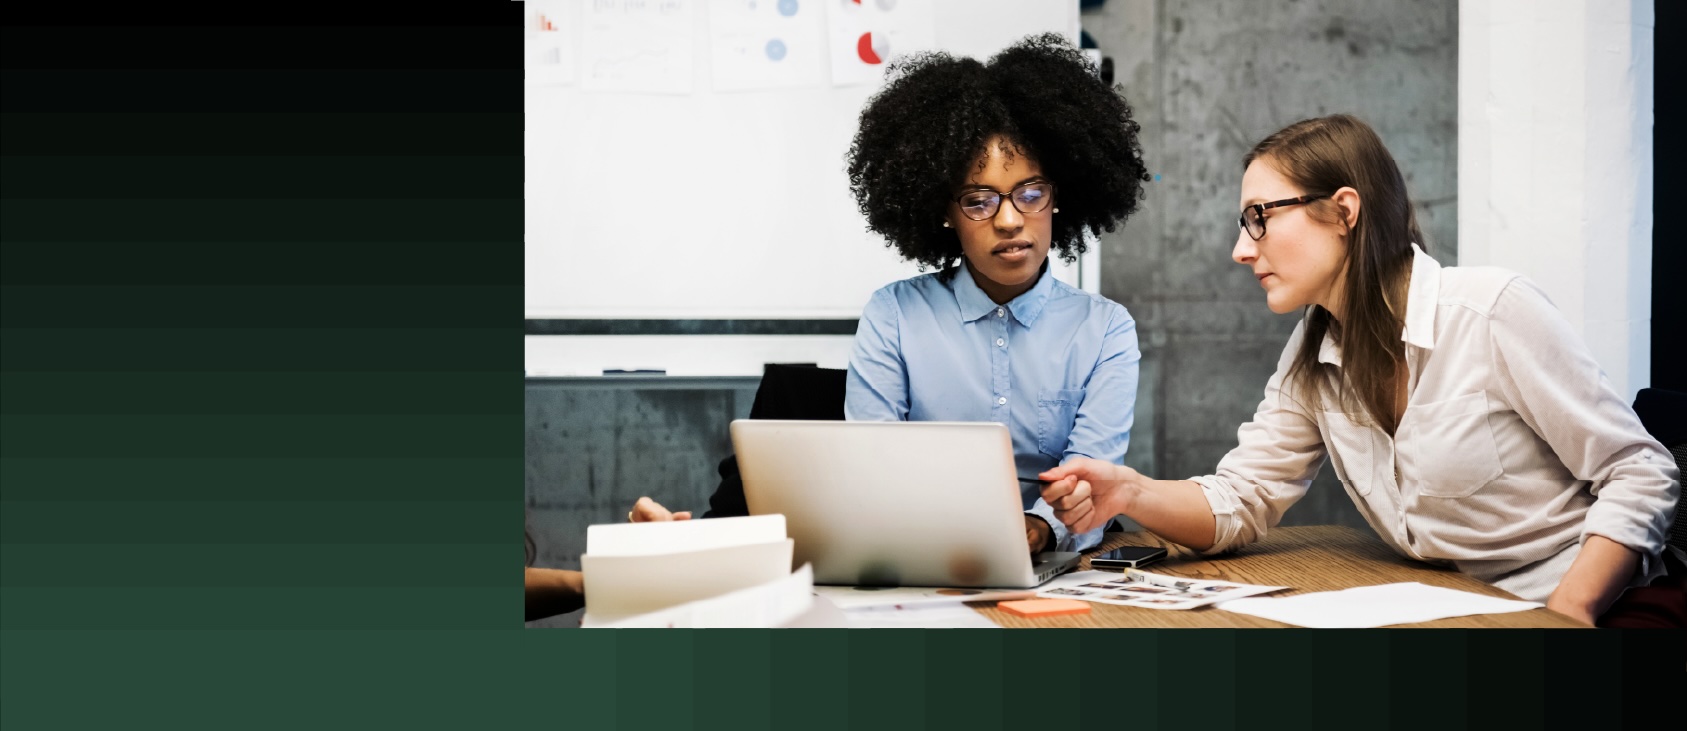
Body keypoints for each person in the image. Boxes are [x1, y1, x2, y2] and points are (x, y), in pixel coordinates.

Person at [1039, 114, 1680, 626]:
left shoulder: (1490, 312)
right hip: (1455, 609)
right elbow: (1243, 499)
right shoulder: (1313, 350)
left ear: (1344, 211)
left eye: (1259, 218)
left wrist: (1568, 612)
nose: (1240, 249)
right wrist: (1130, 491)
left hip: (1593, 606)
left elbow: (1642, 472)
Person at [635, 33, 1152, 558]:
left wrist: (1039, 527)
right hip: (921, 556)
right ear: (944, 213)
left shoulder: (1105, 330)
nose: (1010, 220)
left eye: (1031, 193)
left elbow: (1095, 481)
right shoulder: (894, 315)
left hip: (1058, 562)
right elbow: (872, 474)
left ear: (1059, 197)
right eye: (979, 201)